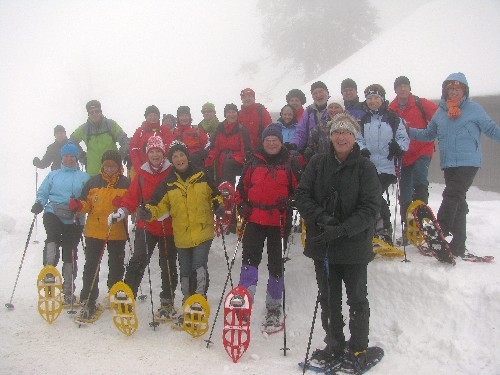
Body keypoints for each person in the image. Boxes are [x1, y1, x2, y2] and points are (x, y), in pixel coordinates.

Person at [294, 112, 381, 373]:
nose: (341, 136)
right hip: (324, 246)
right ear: (330, 136)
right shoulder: (318, 163)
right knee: (329, 299)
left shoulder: (365, 167)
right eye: (336, 132)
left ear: (354, 137)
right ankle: (334, 345)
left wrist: (343, 229)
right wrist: (323, 219)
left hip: (353, 246)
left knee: (356, 299)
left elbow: (370, 207)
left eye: (346, 132)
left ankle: (358, 348)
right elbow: (302, 195)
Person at [409, 72, 500, 258]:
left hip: (469, 161)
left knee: (452, 194)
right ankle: (458, 245)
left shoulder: (474, 109)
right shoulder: (440, 112)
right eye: (450, 89)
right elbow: (428, 134)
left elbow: (491, 129)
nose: (454, 92)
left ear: (464, 90)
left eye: (457, 88)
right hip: (449, 163)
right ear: (445, 91)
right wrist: (406, 130)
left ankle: (439, 228)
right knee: (458, 201)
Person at [138, 140, 223, 328]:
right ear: (172, 160)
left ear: (187, 156)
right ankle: (187, 305)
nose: (179, 158)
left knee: (198, 266)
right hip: (182, 235)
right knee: (184, 271)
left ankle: (198, 304)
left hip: (202, 231)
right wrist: (148, 212)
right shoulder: (168, 182)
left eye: (181, 154)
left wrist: (218, 205)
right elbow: (157, 204)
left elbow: (215, 194)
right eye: (175, 156)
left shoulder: (202, 174)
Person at [236, 123, 301, 331]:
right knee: (249, 261)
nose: (271, 143)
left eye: (275, 140)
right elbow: (241, 189)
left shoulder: (290, 162)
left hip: (279, 221)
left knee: (275, 264)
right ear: (262, 142)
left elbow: (300, 191)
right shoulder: (253, 161)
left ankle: (273, 308)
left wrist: (291, 202)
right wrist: (241, 205)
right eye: (267, 140)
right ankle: (244, 301)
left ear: (281, 142)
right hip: (254, 218)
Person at [109, 136, 178, 319]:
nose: (155, 155)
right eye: (152, 151)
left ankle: (167, 302)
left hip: (168, 225)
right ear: (147, 154)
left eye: (158, 151)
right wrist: (122, 211)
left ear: (163, 153)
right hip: (146, 224)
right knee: (138, 259)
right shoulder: (141, 173)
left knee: (168, 262)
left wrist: (169, 212)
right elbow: (131, 197)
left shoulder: (172, 171)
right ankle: (127, 295)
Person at [69, 150, 130, 320]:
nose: (109, 168)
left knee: (117, 264)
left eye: (113, 165)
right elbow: (86, 204)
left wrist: (123, 206)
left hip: (117, 231)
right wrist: (77, 206)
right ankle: (89, 299)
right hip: (94, 231)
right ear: (103, 166)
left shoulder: (126, 183)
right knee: (91, 266)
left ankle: (115, 293)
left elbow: (131, 205)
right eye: (107, 165)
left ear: (119, 166)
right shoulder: (93, 182)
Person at [31, 141, 90, 305]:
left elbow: (89, 198)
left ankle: (68, 288)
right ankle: (49, 271)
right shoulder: (53, 175)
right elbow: (43, 192)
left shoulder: (84, 177)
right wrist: (39, 203)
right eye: (66, 156)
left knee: (70, 250)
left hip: (75, 217)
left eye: (72, 156)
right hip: (53, 213)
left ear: (76, 158)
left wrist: (81, 205)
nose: (69, 159)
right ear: (61, 158)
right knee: (53, 238)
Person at [356, 84, 409, 241]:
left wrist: (398, 147)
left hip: (387, 166)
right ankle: (375, 228)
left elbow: (403, 137)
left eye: (376, 98)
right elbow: (358, 138)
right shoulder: (363, 120)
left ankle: (384, 229)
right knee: (372, 195)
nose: (373, 101)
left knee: (374, 194)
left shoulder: (393, 118)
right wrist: (362, 149)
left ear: (382, 99)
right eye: (370, 98)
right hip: (369, 166)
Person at [388, 76, 438, 236]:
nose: (403, 89)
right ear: (395, 90)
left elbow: (439, 117)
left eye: (405, 86)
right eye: (399, 86)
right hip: (404, 155)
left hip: (423, 149)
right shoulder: (391, 108)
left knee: (420, 180)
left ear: (409, 88)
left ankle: (423, 220)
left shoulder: (420, 103)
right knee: (405, 192)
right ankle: (409, 227)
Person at [70, 100, 129, 176]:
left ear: (101, 112)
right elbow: (72, 141)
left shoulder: (111, 125)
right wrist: (82, 157)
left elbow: (125, 140)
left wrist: (120, 156)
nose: (94, 114)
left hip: (113, 171)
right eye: (91, 112)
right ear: (88, 114)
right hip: (93, 173)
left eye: (97, 111)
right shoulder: (84, 128)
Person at [204, 103, 251, 186]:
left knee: (228, 165)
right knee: (207, 162)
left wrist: (244, 161)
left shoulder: (241, 129)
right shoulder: (220, 128)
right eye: (229, 112)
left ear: (237, 114)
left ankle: (228, 191)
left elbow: (245, 149)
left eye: (233, 112)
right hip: (222, 159)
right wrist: (210, 158)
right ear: (225, 114)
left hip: (236, 160)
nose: (231, 115)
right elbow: (215, 147)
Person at [129, 105, 173, 179]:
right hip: (142, 169)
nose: (152, 117)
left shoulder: (164, 130)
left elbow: (169, 147)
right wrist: (140, 168)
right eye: (150, 115)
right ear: (146, 117)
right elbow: (133, 149)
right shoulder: (140, 131)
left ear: (158, 117)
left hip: (162, 170)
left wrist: (162, 167)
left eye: (155, 115)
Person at [290, 81, 330, 152]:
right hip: (312, 154)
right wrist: (294, 145)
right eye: (314, 93)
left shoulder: (335, 108)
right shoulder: (308, 112)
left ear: (327, 92)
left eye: (321, 91)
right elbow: (301, 132)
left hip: (332, 154)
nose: (318, 95)